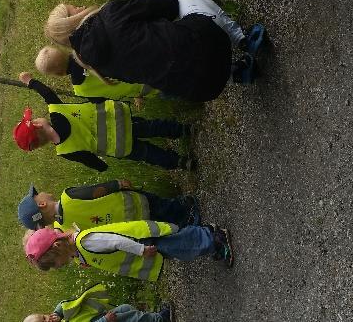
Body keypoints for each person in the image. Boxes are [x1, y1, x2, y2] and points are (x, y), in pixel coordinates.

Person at [43, 0, 265, 102]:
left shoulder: (97, 67)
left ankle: (238, 71)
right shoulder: (110, 13)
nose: (81, 6)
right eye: (75, 9)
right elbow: (169, 5)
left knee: (172, 60)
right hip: (214, 45)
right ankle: (242, 39)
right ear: (73, 20)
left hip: (203, 90)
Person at [13, 74, 192, 171]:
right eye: (33, 119)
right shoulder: (57, 112)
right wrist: (30, 82)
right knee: (152, 127)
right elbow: (48, 93)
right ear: (36, 125)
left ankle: (180, 162)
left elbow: (89, 160)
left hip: (119, 147)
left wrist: (102, 167)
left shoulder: (64, 151)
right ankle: (183, 130)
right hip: (121, 122)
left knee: (148, 154)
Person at [23, 221, 233, 281]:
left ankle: (216, 239)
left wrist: (140, 250)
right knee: (178, 245)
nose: (58, 267)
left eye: (55, 263)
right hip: (142, 243)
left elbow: (116, 241)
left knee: (179, 244)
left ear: (58, 246)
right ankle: (208, 236)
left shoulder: (85, 242)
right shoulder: (78, 250)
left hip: (143, 239)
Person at [16, 180, 199, 231]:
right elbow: (94, 191)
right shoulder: (67, 196)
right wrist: (116, 185)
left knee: (158, 220)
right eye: (38, 195)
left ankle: (183, 223)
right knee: (160, 205)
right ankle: (186, 209)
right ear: (41, 203)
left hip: (129, 224)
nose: (42, 192)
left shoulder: (65, 228)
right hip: (129, 202)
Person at [35, 45, 159, 102]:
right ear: (62, 50)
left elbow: (108, 100)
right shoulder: (86, 47)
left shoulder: (81, 90)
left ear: (58, 74)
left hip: (146, 89)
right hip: (149, 61)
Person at [22, 283, 172, 322]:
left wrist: (57, 313)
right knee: (132, 318)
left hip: (101, 317)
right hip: (103, 320)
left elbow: (63, 305)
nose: (48, 319)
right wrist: (104, 320)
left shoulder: (58, 317)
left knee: (126, 309)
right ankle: (160, 319)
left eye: (44, 317)